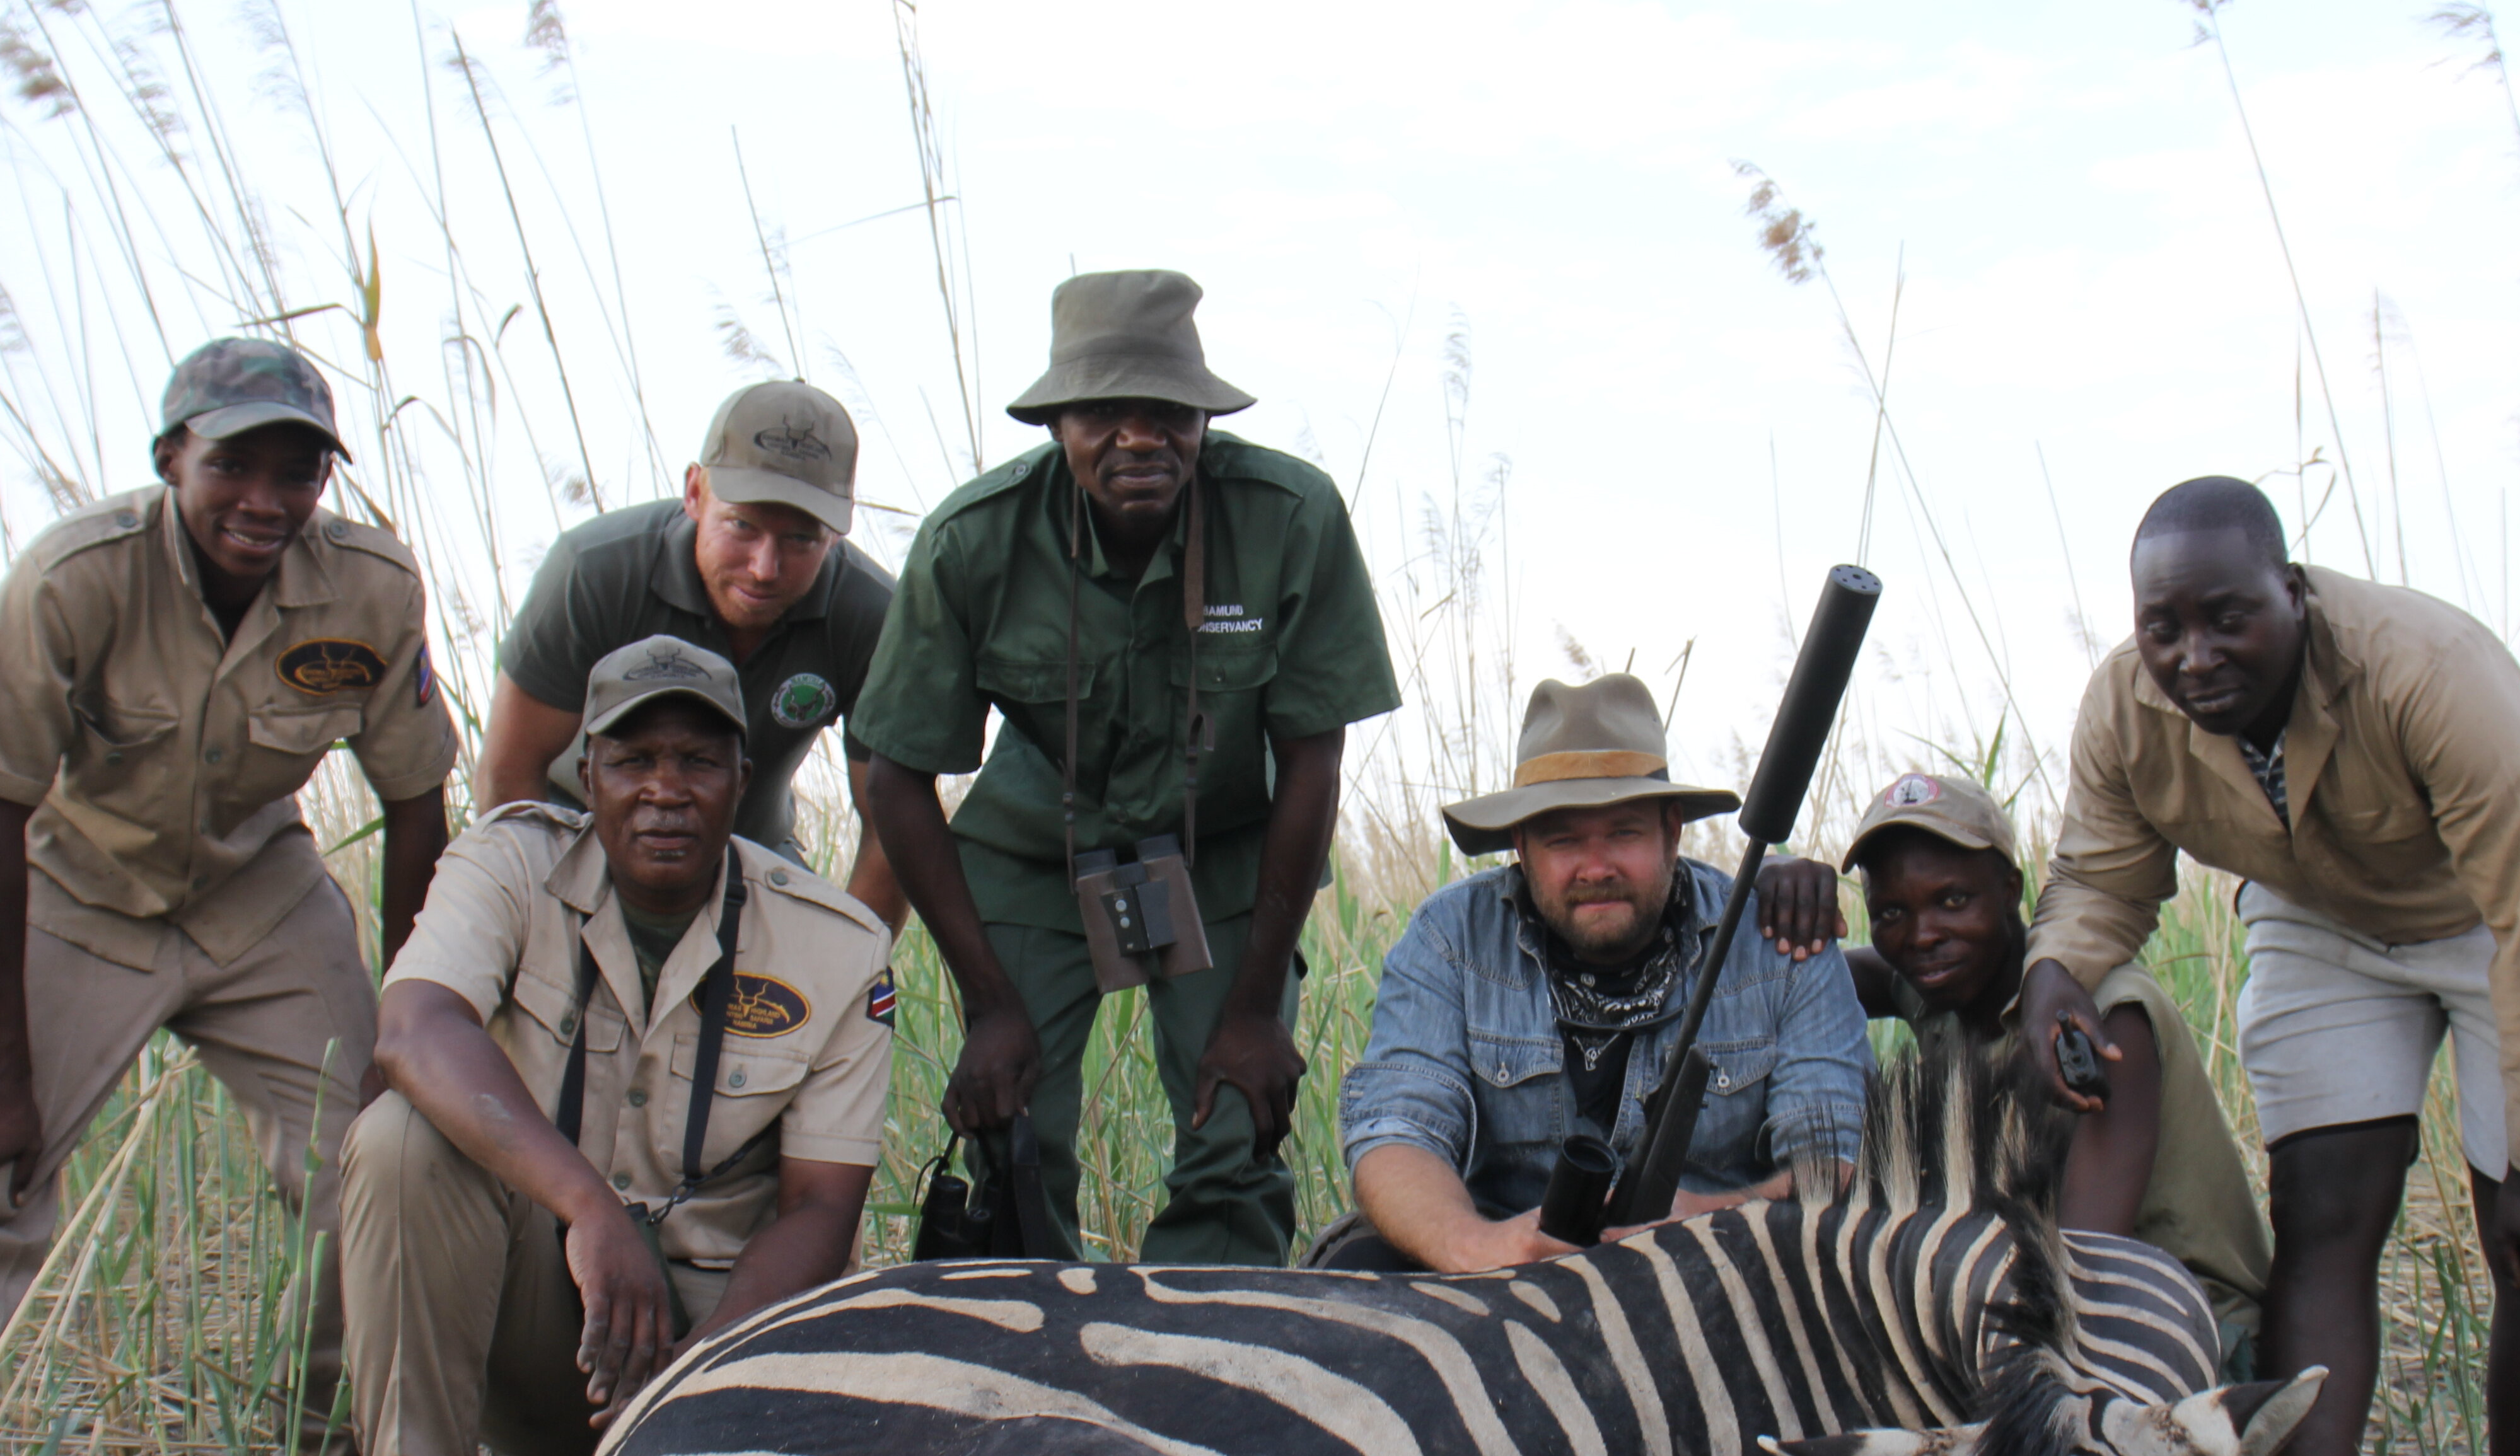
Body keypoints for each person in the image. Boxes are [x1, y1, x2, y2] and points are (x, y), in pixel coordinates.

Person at [2023, 475, 2520, 1456]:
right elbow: (2102, 878)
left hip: (2507, 911)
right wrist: (2055, 975)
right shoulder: (2125, 705)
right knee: (2322, 1222)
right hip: (2320, 917)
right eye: (2164, 628)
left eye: (2227, 618)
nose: (2194, 655)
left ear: (2292, 595)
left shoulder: (2427, 671)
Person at [0, 338, 456, 1456]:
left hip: (259, 895)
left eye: (299, 472)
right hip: (71, 894)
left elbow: (413, 806)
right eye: (235, 463)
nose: (266, 501)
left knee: (371, 1169)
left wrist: (412, 1016)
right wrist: (4, 1083)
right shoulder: (77, 576)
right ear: (171, 458)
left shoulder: (372, 589)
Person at [335, 637, 894, 1456]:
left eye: (697, 761)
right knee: (399, 1140)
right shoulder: (506, 862)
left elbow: (821, 1205)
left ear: (744, 780)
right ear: (582, 775)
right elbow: (410, 1028)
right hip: (542, 1313)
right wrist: (588, 1208)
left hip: (716, 1336)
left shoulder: (837, 945)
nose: (665, 791)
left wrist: (689, 1387)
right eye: (633, 760)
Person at [855, 270, 1398, 1264]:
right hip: (1036, 847)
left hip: (1229, 847)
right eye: (1105, 412)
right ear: (1059, 421)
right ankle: (1033, 1354)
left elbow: (1314, 761)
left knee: (1239, 1120)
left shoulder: (1290, 515)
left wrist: (1251, 1009)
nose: (1140, 439)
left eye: (1170, 413)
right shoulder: (972, 539)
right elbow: (895, 779)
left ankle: (1207, 1361)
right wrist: (988, 1005)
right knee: (1007, 1125)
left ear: (1204, 418)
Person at [1325, 673, 1872, 1272]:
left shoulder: (1779, 940)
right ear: (1520, 845)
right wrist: (1476, 1245)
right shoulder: (1450, 937)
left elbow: (1838, 1159)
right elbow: (1397, 1132)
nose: (1595, 867)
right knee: (1357, 1267)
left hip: (1723, 1273)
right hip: (1499, 1282)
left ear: (1672, 830)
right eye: (1563, 840)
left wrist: (1714, 1217)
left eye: (1623, 833)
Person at [1752, 770, 2272, 1360]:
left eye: (1954, 901)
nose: (1923, 936)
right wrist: (1770, 884)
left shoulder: (2098, 1013)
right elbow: (1803, 981)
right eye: (1892, 913)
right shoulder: (1939, 988)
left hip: (2181, 1325)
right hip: (2051, 1308)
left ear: (2010, 891)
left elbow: (2083, 1271)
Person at [482, 383, 903, 927]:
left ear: (836, 534)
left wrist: (846, 971)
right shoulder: (592, 571)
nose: (764, 568)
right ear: (695, 493)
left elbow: (892, 826)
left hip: (747, 854)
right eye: (742, 526)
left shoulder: (874, 618)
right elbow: (508, 775)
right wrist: (539, 928)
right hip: (577, 839)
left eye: (801, 540)